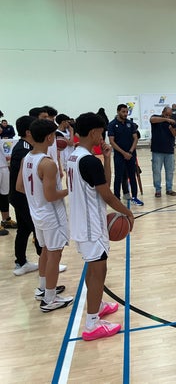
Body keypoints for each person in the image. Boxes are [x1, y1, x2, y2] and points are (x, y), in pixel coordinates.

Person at [67, 112, 134, 340]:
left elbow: (100, 182)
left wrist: (106, 158)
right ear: (95, 132)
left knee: (94, 268)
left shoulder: (75, 156)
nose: (102, 137)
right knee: (98, 271)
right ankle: (92, 324)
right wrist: (127, 212)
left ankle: (98, 305)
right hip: (91, 226)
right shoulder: (88, 161)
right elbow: (107, 195)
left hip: (82, 222)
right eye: (101, 133)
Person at [16, 119, 72, 312]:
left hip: (36, 213)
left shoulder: (26, 158)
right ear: (49, 137)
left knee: (46, 251)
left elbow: (19, 187)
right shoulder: (48, 164)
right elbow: (51, 196)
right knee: (55, 255)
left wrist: (36, 197)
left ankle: (43, 288)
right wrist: (70, 190)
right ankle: (50, 299)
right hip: (51, 215)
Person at [9, 116, 41, 275]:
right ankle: (47, 263)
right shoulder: (23, 149)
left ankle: (21, 262)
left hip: (19, 196)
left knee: (24, 229)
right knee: (37, 228)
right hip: (21, 196)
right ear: (28, 132)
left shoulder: (24, 146)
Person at [108, 104, 143, 205]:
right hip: (119, 155)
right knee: (118, 177)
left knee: (132, 176)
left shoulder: (130, 124)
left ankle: (135, 197)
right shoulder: (112, 124)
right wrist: (123, 153)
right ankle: (117, 198)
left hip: (131, 155)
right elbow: (112, 141)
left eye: (127, 112)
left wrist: (130, 152)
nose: (125, 114)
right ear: (118, 111)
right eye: (123, 112)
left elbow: (135, 138)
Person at [150, 107, 176, 197]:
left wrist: (171, 128)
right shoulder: (156, 118)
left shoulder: (172, 122)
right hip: (157, 150)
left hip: (169, 150)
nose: (168, 116)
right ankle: (158, 190)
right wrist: (165, 119)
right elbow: (152, 119)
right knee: (157, 171)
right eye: (166, 114)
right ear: (162, 112)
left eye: (170, 115)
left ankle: (169, 189)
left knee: (170, 171)